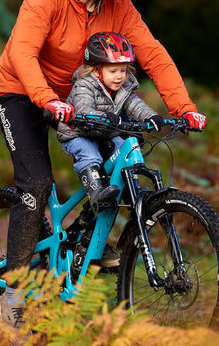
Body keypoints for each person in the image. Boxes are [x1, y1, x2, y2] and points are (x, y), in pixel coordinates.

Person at [0, 0, 208, 328]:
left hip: (82, 99)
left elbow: (152, 54)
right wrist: (46, 100)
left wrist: (183, 106)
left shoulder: (119, 4)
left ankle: (85, 242)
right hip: (22, 92)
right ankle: (14, 291)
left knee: (121, 157)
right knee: (35, 184)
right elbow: (22, 51)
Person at [57, 31, 163, 213]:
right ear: (97, 69)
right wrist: (105, 117)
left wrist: (150, 117)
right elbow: (83, 110)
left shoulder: (122, 87)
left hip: (104, 131)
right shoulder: (84, 85)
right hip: (77, 132)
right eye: (113, 71)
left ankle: (132, 190)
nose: (119, 76)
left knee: (128, 149)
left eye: (123, 70)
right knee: (90, 155)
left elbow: (134, 104)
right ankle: (97, 194)